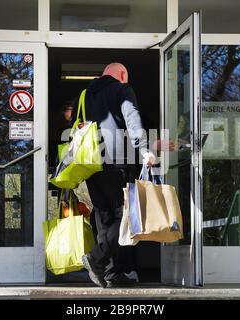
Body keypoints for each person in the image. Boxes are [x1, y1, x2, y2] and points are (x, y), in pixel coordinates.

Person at [75, 63, 156, 288]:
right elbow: (132, 117)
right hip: (116, 163)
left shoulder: (84, 95)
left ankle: (110, 274)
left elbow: (75, 126)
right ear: (122, 75)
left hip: (91, 166)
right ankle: (97, 257)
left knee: (105, 220)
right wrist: (144, 148)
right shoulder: (122, 90)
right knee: (126, 217)